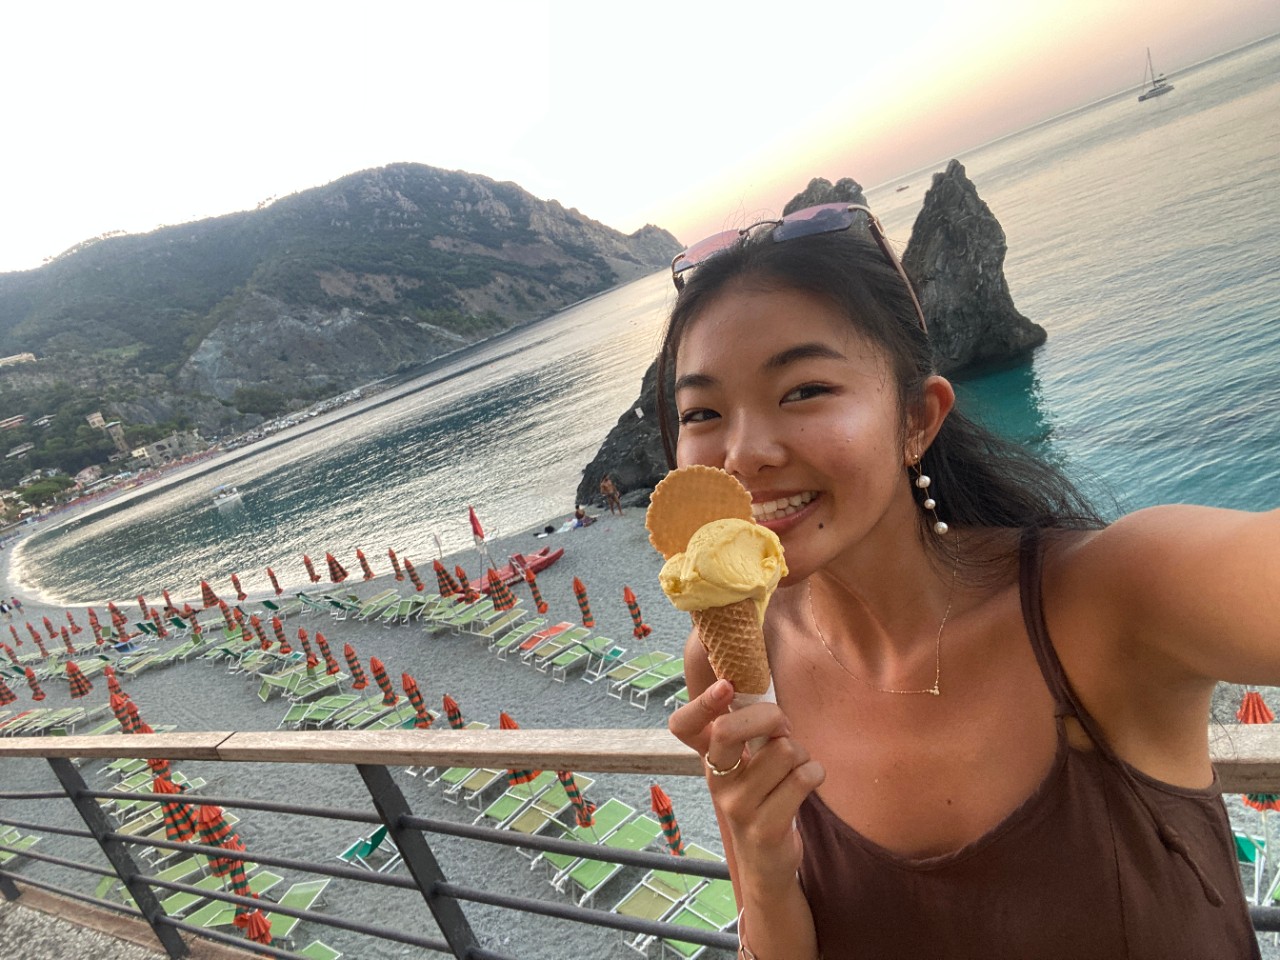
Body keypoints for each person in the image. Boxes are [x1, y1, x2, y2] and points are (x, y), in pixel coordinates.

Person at [660, 203, 1275, 959]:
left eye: (803, 391)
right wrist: (762, 875)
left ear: (918, 418)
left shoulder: (1110, 598)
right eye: (703, 411)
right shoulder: (728, 662)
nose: (743, 454)